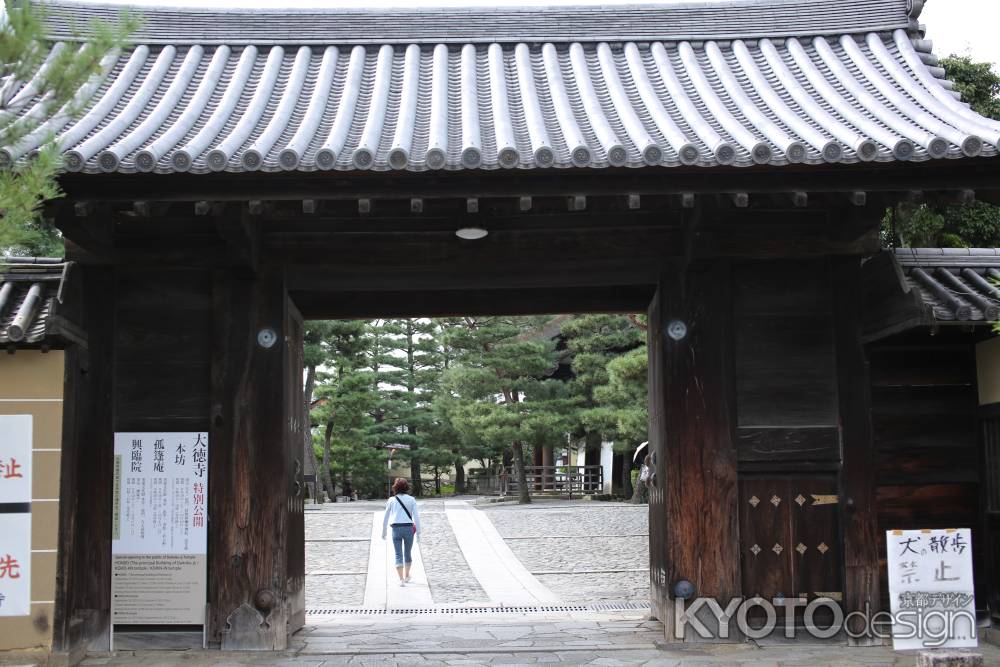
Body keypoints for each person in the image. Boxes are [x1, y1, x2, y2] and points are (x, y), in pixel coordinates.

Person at [381, 477, 420, 587]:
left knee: (398, 554)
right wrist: (419, 533)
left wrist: (383, 531)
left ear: (395, 487)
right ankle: (407, 575)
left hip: (396, 529)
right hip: (408, 529)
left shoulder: (391, 500)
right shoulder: (411, 499)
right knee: (407, 552)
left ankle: (401, 579)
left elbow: (385, 517)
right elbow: (416, 518)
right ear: (407, 487)